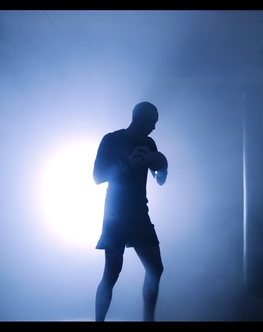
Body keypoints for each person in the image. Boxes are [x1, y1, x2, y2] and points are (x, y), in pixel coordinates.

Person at [93, 101, 168, 322]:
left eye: (155, 123)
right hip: (116, 213)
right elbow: (97, 177)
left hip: (138, 212)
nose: (153, 127)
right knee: (112, 273)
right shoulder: (112, 140)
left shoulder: (149, 143)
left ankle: (148, 320)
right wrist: (125, 162)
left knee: (155, 269)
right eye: (151, 122)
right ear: (138, 118)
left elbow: (160, 180)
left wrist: (162, 165)